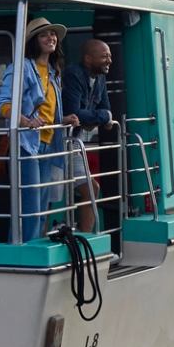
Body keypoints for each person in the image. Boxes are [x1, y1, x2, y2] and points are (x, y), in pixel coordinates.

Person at [0, 17, 72, 242]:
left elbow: (47, 110)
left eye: (53, 34)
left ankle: (32, 247)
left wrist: (64, 118)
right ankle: (21, 252)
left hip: (48, 142)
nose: (51, 38)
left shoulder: (53, 70)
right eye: (44, 35)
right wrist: (25, 121)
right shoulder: (21, 68)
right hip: (27, 144)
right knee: (31, 203)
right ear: (33, 41)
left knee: (42, 206)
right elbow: (1, 105)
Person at [61, 39, 115, 231]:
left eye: (109, 55)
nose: (109, 60)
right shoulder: (73, 74)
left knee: (93, 188)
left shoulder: (100, 77)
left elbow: (106, 110)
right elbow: (74, 112)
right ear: (88, 59)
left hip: (76, 143)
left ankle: (85, 238)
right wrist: (101, 117)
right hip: (61, 142)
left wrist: (98, 117)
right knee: (49, 196)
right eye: (104, 56)